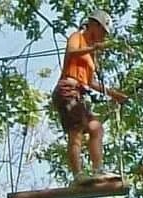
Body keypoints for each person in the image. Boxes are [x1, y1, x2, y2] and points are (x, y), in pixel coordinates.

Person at [52, 10, 129, 183]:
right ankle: (78, 175)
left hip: (80, 93)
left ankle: (98, 170)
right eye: (102, 31)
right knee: (76, 130)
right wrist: (93, 48)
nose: (103, 36)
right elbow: (72, 52)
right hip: (67, 89)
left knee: (96, 128)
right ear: (93, 25)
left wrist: (113, 94)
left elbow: (91, 82)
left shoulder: (91, 54)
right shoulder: (77, 37)